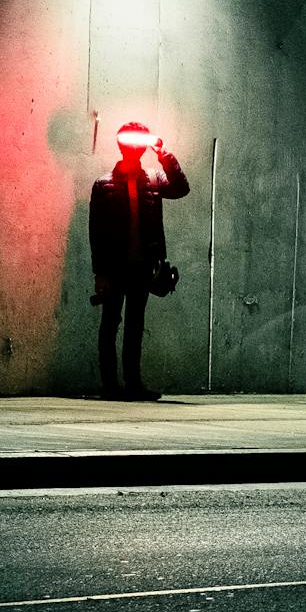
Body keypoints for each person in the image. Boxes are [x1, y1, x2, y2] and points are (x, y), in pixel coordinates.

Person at [89, 120, 190, 401]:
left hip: (143, 266)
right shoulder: (103, 184)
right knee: (111, 323)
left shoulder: (155, 179)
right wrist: (101, 273)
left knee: (135, 324)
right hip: (115, 267)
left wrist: (164, 153)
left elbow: (181, 188)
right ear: (123, 146)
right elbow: (95, 232)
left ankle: (133, 384)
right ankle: (111, 386)